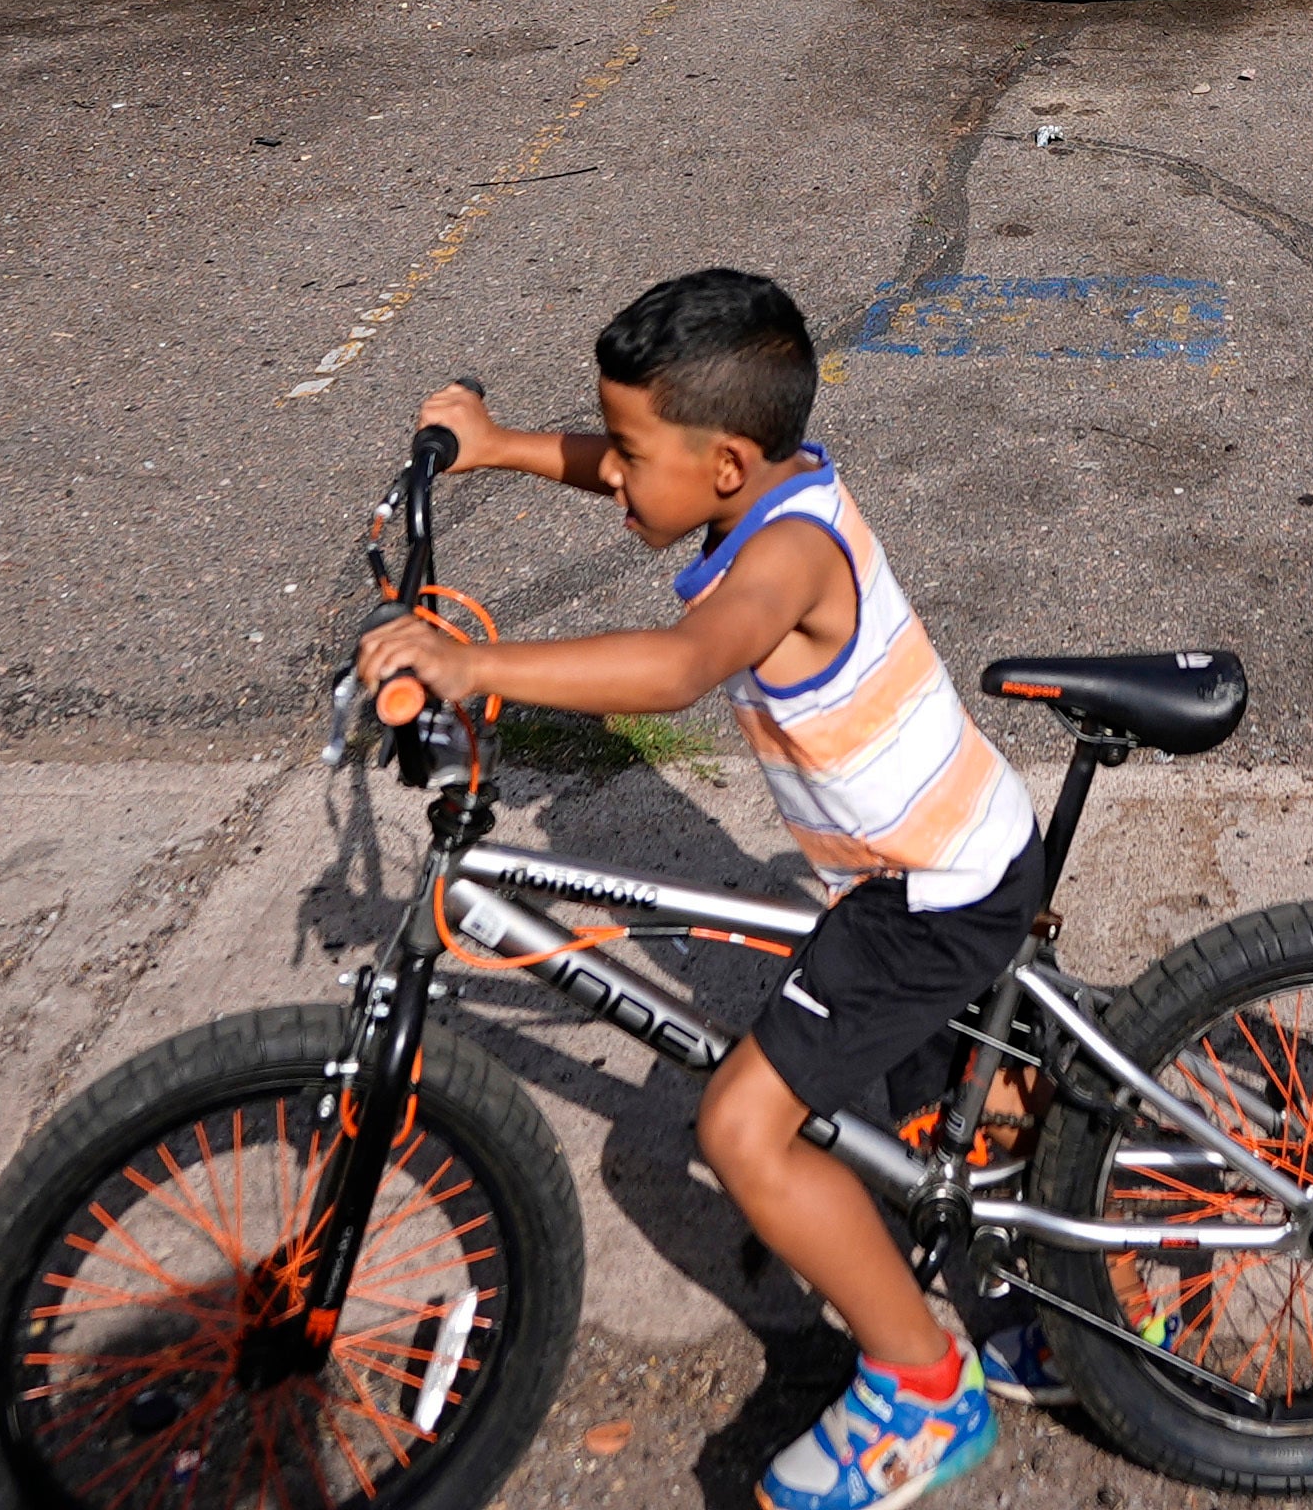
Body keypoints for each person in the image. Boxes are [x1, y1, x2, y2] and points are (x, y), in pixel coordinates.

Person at [355, 273, 1044, 1508]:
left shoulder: (785, 558)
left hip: (926, 891)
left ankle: (926, 1386)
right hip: (937, 848)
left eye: (622, 450)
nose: (611, 474)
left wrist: (470, 661)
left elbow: (677, 667)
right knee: (933, 1125)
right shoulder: (766, 480)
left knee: (738, 1127)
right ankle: (1018, 1255)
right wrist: (501, 445)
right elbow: (647, 461)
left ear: (727, 463)